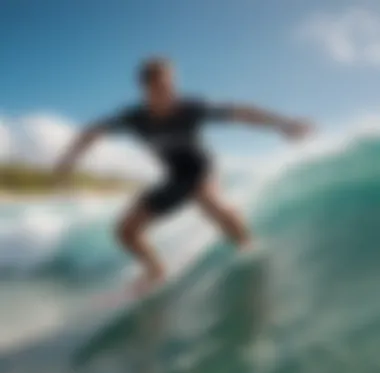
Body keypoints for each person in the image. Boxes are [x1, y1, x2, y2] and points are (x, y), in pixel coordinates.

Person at [55, 57, 311, 294]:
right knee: (125, 231)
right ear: (146, 89)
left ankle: (250, 250)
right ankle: (156, 271)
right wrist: (67, 163)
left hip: (201, 169)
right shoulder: (134, 118)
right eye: (162, 88)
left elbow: (241, 113)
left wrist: (284, 124)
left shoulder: (189, 109)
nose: (170, 94)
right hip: (175, 177)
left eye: (171, 86)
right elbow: (91, 132)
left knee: (208, 202)